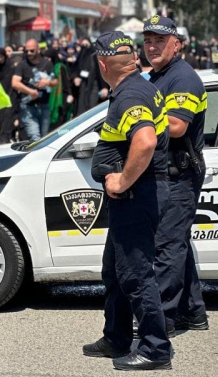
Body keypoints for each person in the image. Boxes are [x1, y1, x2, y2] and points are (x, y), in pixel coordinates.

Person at [82, 32, 172, 371]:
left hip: (138, 195)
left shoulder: (131, 94)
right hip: (134, 197)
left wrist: (122, 178)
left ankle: (155, 348)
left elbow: (145, 141)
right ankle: (117, 337)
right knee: (115, 271)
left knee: (135, 274)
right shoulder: (136, 85)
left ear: (103, 64)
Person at [143, 16, 209, 337]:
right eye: (148, 41)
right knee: (175, 245)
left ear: (176, 44)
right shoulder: (156, 77)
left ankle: (162, 319)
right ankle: (193, 312)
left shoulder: (183, 78)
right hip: (163, 174)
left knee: (166, 247)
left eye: (159, 40)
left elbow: (176, 125)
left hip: (178, 174)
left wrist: (135, 122)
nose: (152, 46)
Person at [11, 38, 57, 141]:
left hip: (44, 106)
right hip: (28, 107)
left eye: (31, 50)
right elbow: (15, 83)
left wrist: (47, 82)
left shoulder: (47, 64)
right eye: (26, 51)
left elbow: (55, 82)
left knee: (44, 138)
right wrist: (30, 91)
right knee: (35, 138)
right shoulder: (22, 65)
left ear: (38, 49)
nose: (28, 53)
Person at [72, 38, 109, 114]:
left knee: (92, 109)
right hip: (83, 86)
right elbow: (75, 68)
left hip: (94, 86)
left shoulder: (96, 55)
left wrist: (104, 87)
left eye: (87, 44)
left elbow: (100, 71)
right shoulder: (81, 56)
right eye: (83, 45)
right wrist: (76, 77)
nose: (85, 47)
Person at [0, 47, 18, 144]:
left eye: (2, 57)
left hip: (9, 100)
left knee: (6, 128)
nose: (0, 59)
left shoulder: (11, 67)